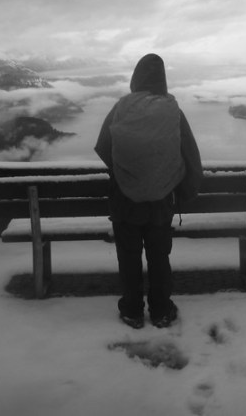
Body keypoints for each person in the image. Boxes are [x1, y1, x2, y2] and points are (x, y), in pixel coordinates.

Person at [95, 53, 202, 329]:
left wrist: (127, 172)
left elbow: (103, 146)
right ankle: (161, 310)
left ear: (136, 78)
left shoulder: (120, 108)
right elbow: (189, 154)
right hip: (161, 202)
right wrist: (180, 187)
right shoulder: (173, 111)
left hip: (124, 202)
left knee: (129, 257)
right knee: (159, 257)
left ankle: (132, 310)